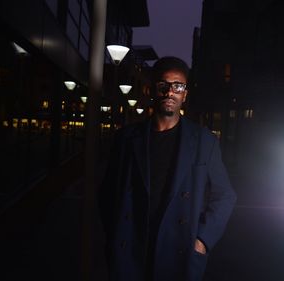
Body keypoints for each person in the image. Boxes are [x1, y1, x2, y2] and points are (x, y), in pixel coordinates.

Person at [98, 56, 237, 281]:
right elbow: (107, 191)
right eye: (163, 85)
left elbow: (225, 195)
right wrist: (115, 234)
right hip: (132, 249)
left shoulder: (204, 141)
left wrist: (202, 240)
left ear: (185, 94)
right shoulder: (126, 139)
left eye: (178, 86)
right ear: (153, 90)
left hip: (179, 250)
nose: (169, 92)